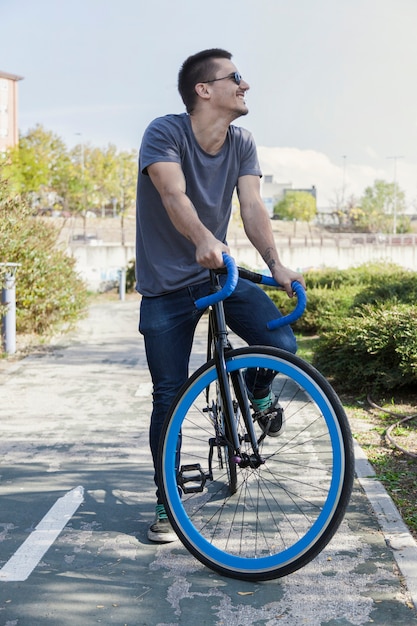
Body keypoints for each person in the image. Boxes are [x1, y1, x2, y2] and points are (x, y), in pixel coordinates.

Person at [135, 48, 306, 543]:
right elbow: (173, 194)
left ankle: (254, 392)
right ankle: (168, 500)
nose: (245, 84)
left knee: (283, 345)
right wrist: (203, 239)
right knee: (169, 394)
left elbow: (251, 206)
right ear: (203, 90)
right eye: (235, 77)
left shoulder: (242, 142)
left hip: (220, 276)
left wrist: (276, 264)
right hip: (167, 288)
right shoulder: (164, 132)